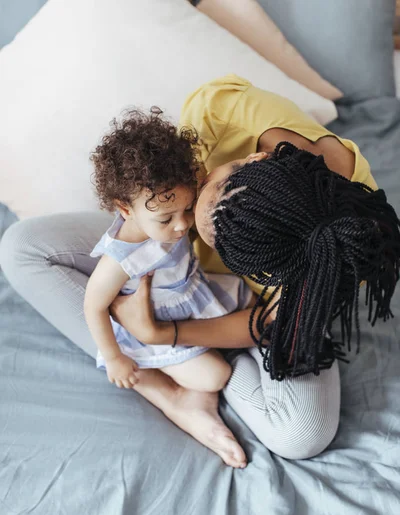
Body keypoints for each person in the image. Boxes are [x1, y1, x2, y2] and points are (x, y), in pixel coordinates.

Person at [1, 75, 399, 467]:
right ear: (251, 161)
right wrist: (152, 231)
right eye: (204, 189)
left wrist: (162, 333)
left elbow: (269, 323)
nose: (187, 230)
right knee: (22, 248)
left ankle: (196, 377)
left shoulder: (337, 254)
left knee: (301, 435)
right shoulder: (221, 113)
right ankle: (166, 389)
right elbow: (161, 201)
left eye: (225, 249)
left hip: (240, 309)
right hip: (159, 244)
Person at [84, 110, 252, 415]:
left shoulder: (173, 200)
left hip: (191, 293)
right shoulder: (122, 259)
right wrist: (113, 358)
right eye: (166, 218)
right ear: (125, 209)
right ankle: (164, 380)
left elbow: (207, 180)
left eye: (187, 209)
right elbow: (93, 305)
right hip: (153, 325)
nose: (181, 225)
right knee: (216, 376)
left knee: (252, 300)